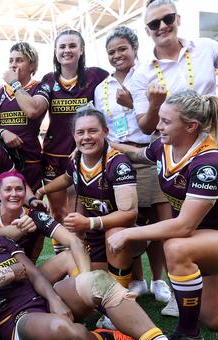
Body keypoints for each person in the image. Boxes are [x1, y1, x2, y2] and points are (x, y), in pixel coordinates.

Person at [0, 191, 196, 340]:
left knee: (98, 279)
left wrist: (54, 300)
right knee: (69, 334)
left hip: (40, 296)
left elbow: (32, 273)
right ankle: (106, 337)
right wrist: (6, 274)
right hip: (16, 319)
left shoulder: (2, 243)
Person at [109, 90, 218, 340]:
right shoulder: (165, 146)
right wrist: (109, 147)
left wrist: (129, 234)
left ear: (191, 126)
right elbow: (141, 154)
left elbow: (184, 226)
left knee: (175, 245)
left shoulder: (209, 161)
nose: (158, 126)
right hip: (200, 239)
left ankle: (188, 334)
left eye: (165, 121)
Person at [94, 25, 171, 303]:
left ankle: (159, 280)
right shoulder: (101, 88)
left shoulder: (150, 76)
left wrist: (130, 104)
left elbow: (161, 118)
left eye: (122, 49)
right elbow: (103, 127)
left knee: (159, 220)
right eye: (111, 52)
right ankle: (137, 279)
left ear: (135, 49)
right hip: (118, 158)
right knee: (129, 219)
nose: (117, 56)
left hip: (148, 154)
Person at [35, 106, 141, 283]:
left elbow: (129, 215)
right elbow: (67, 179)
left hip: (123, 234)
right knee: (81, 280)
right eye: (80, 132)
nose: (86, 137)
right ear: (74, 135)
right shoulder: (77, 158)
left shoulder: (119, 164)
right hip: (94, 234)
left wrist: (88, 222)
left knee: (114, 234)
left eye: (93, 131)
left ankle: (120, 297)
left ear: (105, 132)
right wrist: (42, 190)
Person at [127, 0, 218, 134]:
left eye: (168, 19)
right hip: (175, 150)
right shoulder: (141, 74)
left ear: (178, 19)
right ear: (147, 31)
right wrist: (154, 105)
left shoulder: (206, 47)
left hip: (213, 141)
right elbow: (146, 128)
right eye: (154, 24)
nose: (162, 26)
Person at [33, 30, 109, 245]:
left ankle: (81, 258)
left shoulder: (97, 76)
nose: (67, 50)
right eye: (62, 47)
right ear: (56, 52)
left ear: (82, 49)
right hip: (53, 156)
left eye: (72, 46)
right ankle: (64, 261)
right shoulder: (48, 80)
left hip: (83, 156)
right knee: (58, 213)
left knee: (77, 214)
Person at [0, 171, 89, 276]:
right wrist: (7, 232)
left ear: (25, 192)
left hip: (28, 277)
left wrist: (85, 279)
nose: (14, 194)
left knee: (70, 257)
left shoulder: (34, 216)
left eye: (19, 189)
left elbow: (74, 241)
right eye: (8, 189)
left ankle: (83, 284)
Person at [0, 42, 46, 191]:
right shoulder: (1, 93)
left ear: (32, 65)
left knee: (31, 204)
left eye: (19, 60)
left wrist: (14, 83)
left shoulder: (40, 87)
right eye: (11, 60)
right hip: (5, 158)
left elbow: (32, 111)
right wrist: (3, 132)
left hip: (30, 159)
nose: (13, 65)